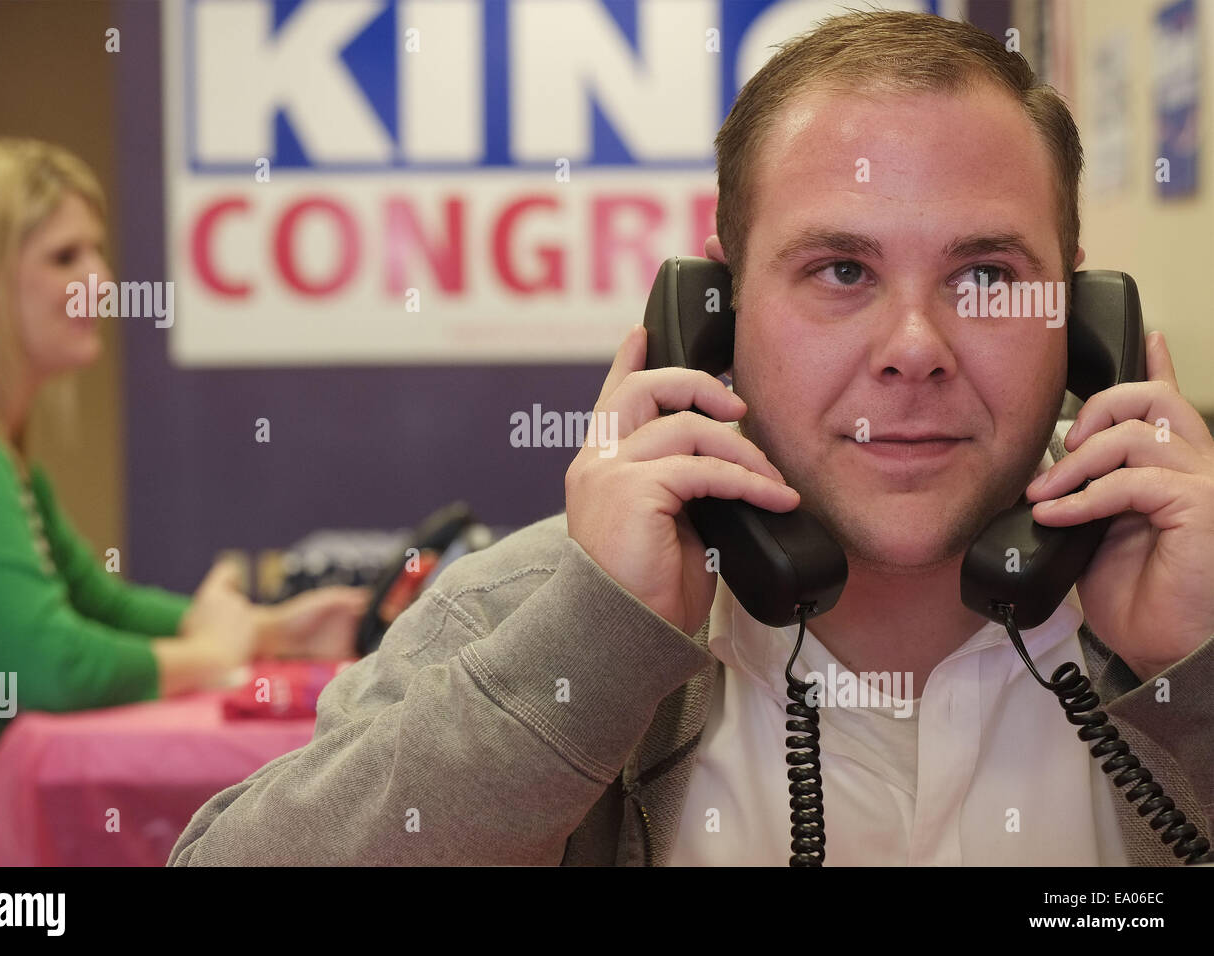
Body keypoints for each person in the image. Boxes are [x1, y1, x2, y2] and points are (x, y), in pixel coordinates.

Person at [168, 10, 1214, 866]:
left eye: (984, 275)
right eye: (840, 271)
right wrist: (590, 651)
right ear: (716, 309)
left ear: (1079, 317)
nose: (913, 348)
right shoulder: (528, 614)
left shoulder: (1190, 609)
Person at [0, 138, 368, 864]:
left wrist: (265, 631)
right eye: (64, 259)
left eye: (95, 251)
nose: (100, 279)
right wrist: (208, 651)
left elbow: (97, 606)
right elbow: (54, 665)